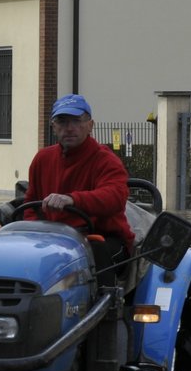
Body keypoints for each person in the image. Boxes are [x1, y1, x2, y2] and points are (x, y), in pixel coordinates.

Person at [22, 93, 135, 266]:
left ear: (90, 125)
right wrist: (35, 232)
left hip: (101, 237)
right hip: (53, 239)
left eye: (76, 121)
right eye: (62, 121)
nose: (69, 128)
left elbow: (115, 197)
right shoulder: (42, 159)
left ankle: (108, 293)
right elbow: (31, 204)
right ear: (53, 126)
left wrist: (72, 199)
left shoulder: (106, 160)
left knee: (95, 254)